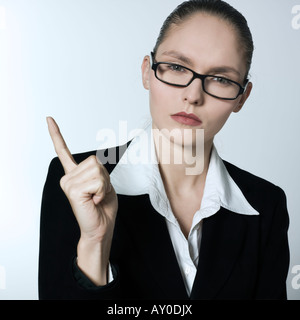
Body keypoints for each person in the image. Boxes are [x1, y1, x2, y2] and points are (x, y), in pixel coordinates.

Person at [39, 0, 289, 300]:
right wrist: (95, 242)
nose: (193, 95)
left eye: (221, 79)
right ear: (147, 72)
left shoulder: (265, 204)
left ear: (242, 98)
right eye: (176, 67)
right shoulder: (76, 180)